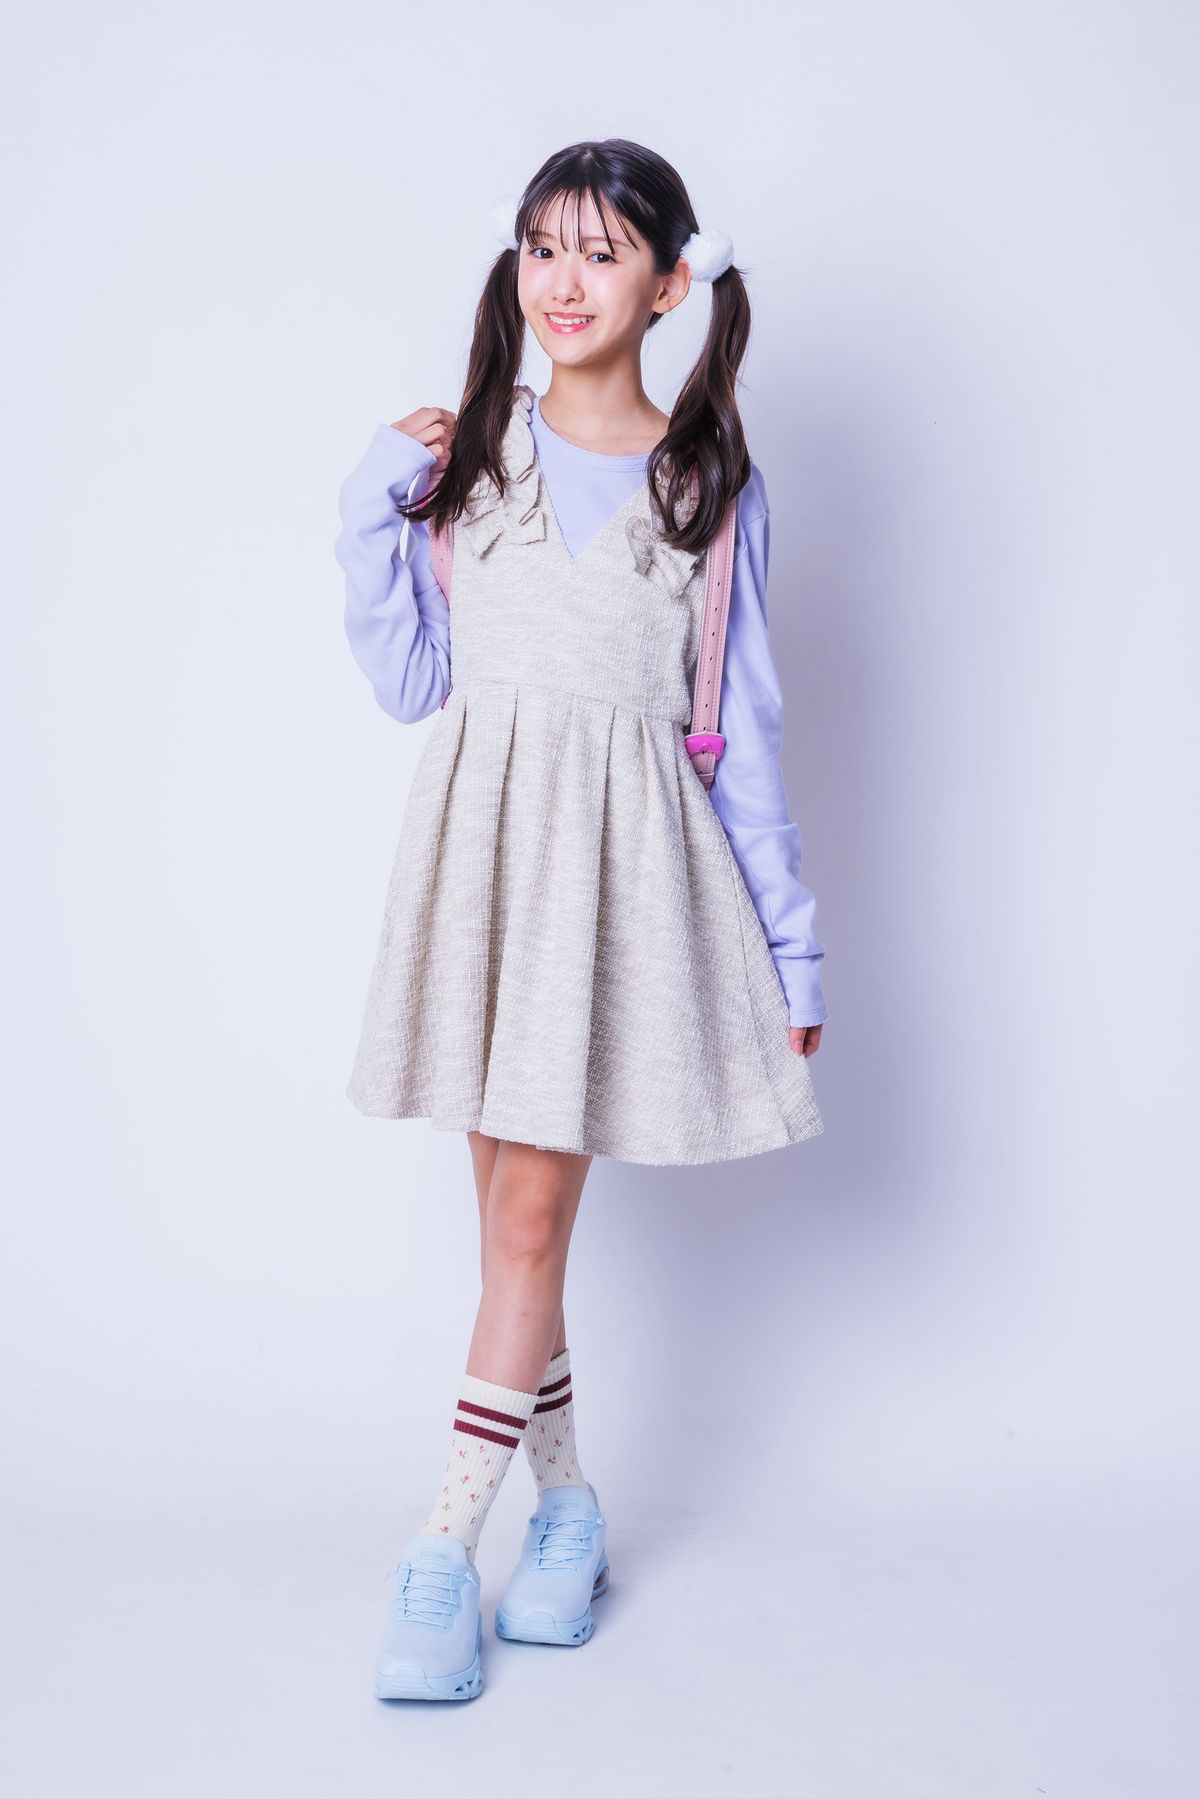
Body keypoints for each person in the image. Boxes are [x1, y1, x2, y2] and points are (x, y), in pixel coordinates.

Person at [333, 138, 829, 1703]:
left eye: (601, 252)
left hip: (615, 894)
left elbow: (742, 731)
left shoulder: (706, 487)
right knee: (513, 1232)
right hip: (482, 873)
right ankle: (570, 1510)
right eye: (544, 246)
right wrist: (363, 510)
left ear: (669, 286)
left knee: (530, 1225)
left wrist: (794, 946)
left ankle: (442, 1546)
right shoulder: (470, 458)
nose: (563, 279)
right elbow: (416, 681)